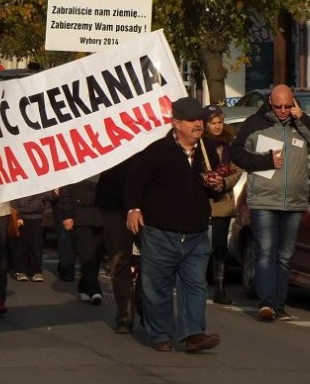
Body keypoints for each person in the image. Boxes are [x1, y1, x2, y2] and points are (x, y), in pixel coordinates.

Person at [125, 96, 223, 353]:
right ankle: (161, 334)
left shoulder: (207, 151)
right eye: (192, 120)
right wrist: (134, 209)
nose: (198, 125)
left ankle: (193, 334)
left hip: (196, 234)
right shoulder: (157, 152)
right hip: (161, 233)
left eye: (200, 119)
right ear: (176, 123)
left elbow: (215, 188)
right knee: (157, 286)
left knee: (195, 285)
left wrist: (218, 186)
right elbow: (135, 182)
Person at [231, 84, 310, 321]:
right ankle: (266, 303)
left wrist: (302, 118)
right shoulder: (256, 123)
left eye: (288, 106)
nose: (283, 110)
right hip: (264, 199)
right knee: (265, 252)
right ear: (270, 102)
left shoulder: (300, 123)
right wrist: (264, 161)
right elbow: (235, 153)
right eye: (278, 106)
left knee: (285, 255)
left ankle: (279, 303)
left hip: (294, 201)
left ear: (294, 102)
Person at [202, 105, 244, 305]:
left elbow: (237, 168)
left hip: (223, 199)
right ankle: (197, 283)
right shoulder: (199, 143)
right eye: (213, 123)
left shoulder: (229, 144)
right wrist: (207, 179)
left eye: (220, 122)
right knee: (199, 245)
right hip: (202, 199)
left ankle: (220, 287)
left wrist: (224, 182)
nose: (217, 126)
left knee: (220, 247)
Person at [93, 158, 137, 333]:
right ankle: (124, 314)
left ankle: (143, 301)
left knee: (152, 260)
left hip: (149, 202)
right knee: (119, 260)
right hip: (114, 202)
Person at [58, 177, 105, 302]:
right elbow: (66, 187)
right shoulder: (75, 166)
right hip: (80, 213)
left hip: (102, 213)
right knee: (87, 253)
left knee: (96, 254)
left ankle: (84, 287)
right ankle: (95, 290)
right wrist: (67, 214)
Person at [10, 191, 56, 282]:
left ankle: (36, 271)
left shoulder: (40, 183)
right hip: (22, 216)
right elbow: (13, 198)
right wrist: (17, 216)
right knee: (21, 245)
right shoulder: (20, 182)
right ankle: (20, 270)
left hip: (37, 217)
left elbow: (50, 196)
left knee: (36, 245)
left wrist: (55, 193)